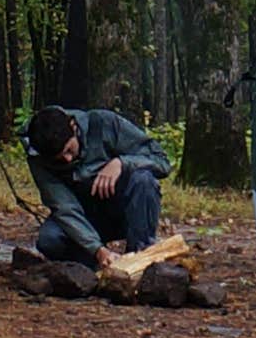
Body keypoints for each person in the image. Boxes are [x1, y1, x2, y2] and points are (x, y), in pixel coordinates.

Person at [23, 98, 168, 265]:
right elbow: (65, 208)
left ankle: (141, 257)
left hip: (125, 211)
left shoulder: (104, 123)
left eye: (69, 150)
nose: (68, 159)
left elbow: (161, 162)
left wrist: (122, 163)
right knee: (49, 240)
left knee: (143, 180)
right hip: (85, 219)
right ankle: (95, 267)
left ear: (73, 126)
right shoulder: (38, 158)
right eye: (59, 159)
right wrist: (97, 250)